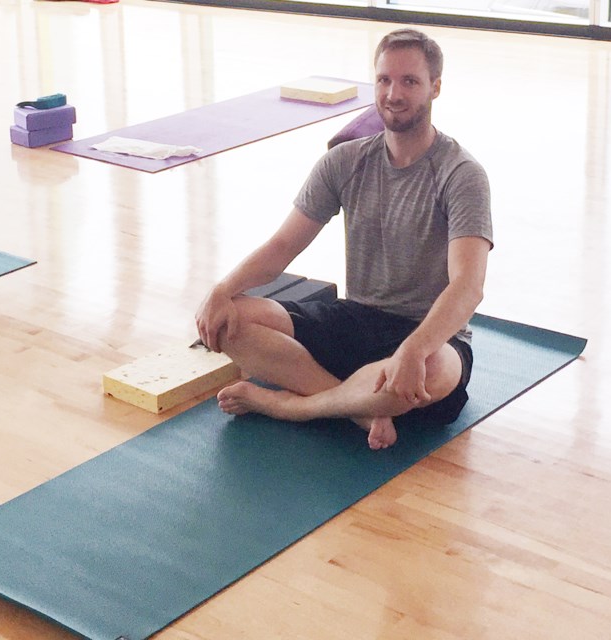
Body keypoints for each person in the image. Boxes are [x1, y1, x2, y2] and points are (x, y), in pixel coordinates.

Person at [195, 28, 493, 450]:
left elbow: (468, 286)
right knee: (231, 322)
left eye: (410, 81)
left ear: (435, 87)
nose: (394, 93)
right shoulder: (345, 161)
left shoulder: (461, 175)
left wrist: (413, 349)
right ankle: (360, 409)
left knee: (436, 368)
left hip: (429, 337)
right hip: (356, 319)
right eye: (385, 80)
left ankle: (290, 406)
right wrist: (222, 290)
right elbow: (283, 246)